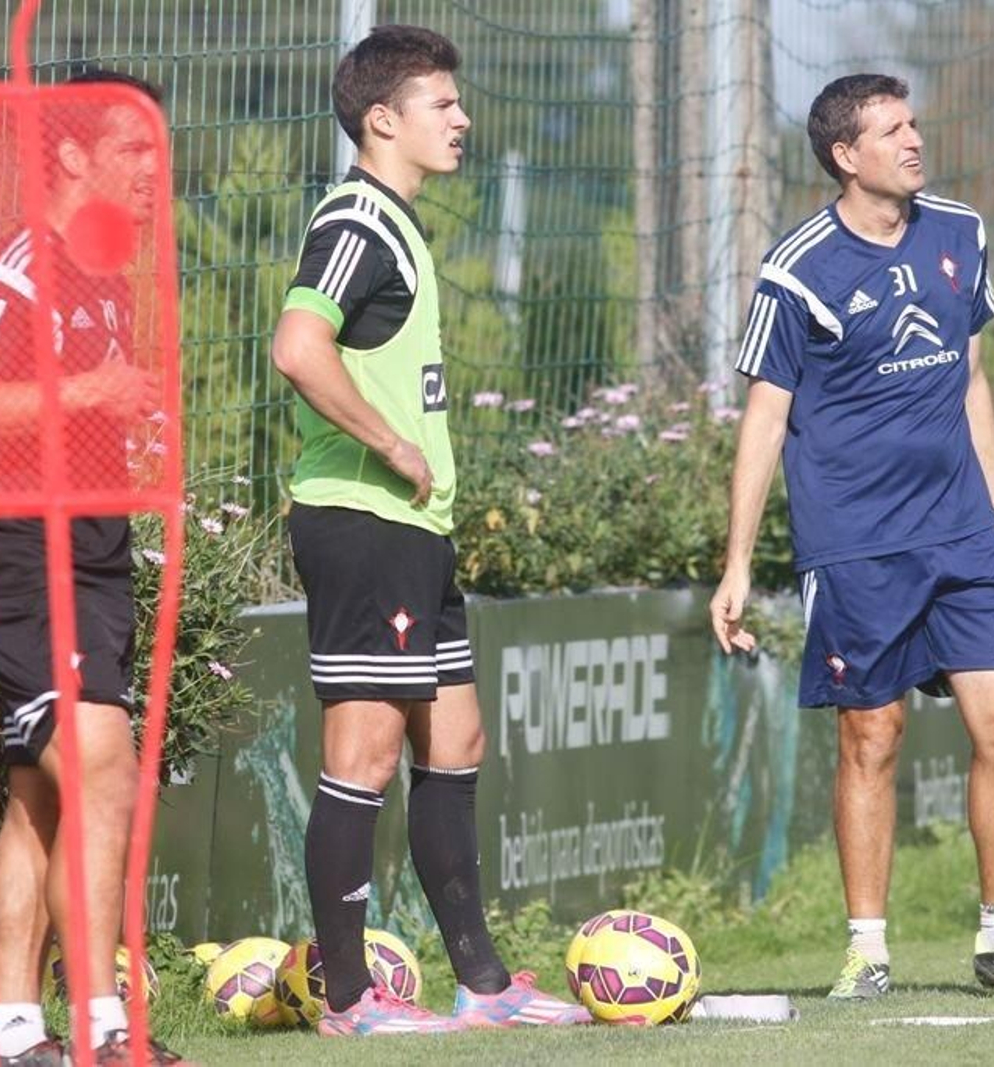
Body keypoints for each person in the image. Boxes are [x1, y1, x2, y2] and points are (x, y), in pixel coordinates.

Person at [709, 73, 994, 1000]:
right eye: (892, 130)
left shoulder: (959, 234)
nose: (914, 140)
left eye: (915, 122)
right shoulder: (797, 266)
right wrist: (736, 563)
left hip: (964, 530)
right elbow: (763, 421)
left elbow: (969, 382)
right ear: (846, 156)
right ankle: (867, 949)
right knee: (873, 736)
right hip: (854, 542)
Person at [271, 25, 589, 1035]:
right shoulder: (358, 216)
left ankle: (485, 983)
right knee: (361, 754)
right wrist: (392, 445)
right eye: (440, 104)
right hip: (363, 523)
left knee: (455, 738)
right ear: (381, 119)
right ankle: (349, 998)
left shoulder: (401, 223)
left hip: (416, 532)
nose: (461, 119)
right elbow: (296, 345)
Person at [0, 69, 183, 1064]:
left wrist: (118, 420)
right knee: (101, 774)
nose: (153, 170)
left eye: (159, 151)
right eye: (134, 149)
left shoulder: (102, 275)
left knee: (40, 800)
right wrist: (90, 391)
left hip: (92, 555)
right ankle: (101, 1032)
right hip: (23, 554)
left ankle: (13, 1036)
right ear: (71, 156)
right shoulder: (9, 272)